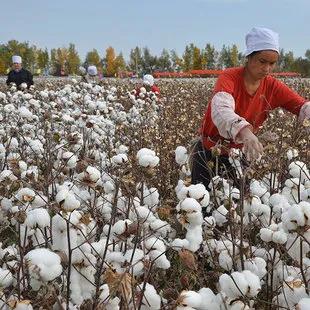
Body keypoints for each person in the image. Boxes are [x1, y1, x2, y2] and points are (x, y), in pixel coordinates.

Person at [191, 27, 310, 189]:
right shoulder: (230, 77)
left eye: (272, 63)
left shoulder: (273, 86)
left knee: (238, 208)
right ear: (249, 57)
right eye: (262, 61)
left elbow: (302, 106)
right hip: (208, 154)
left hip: (241, 157)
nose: (267, 69)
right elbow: (220, 108)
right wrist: (244, 131)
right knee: (201, 207)